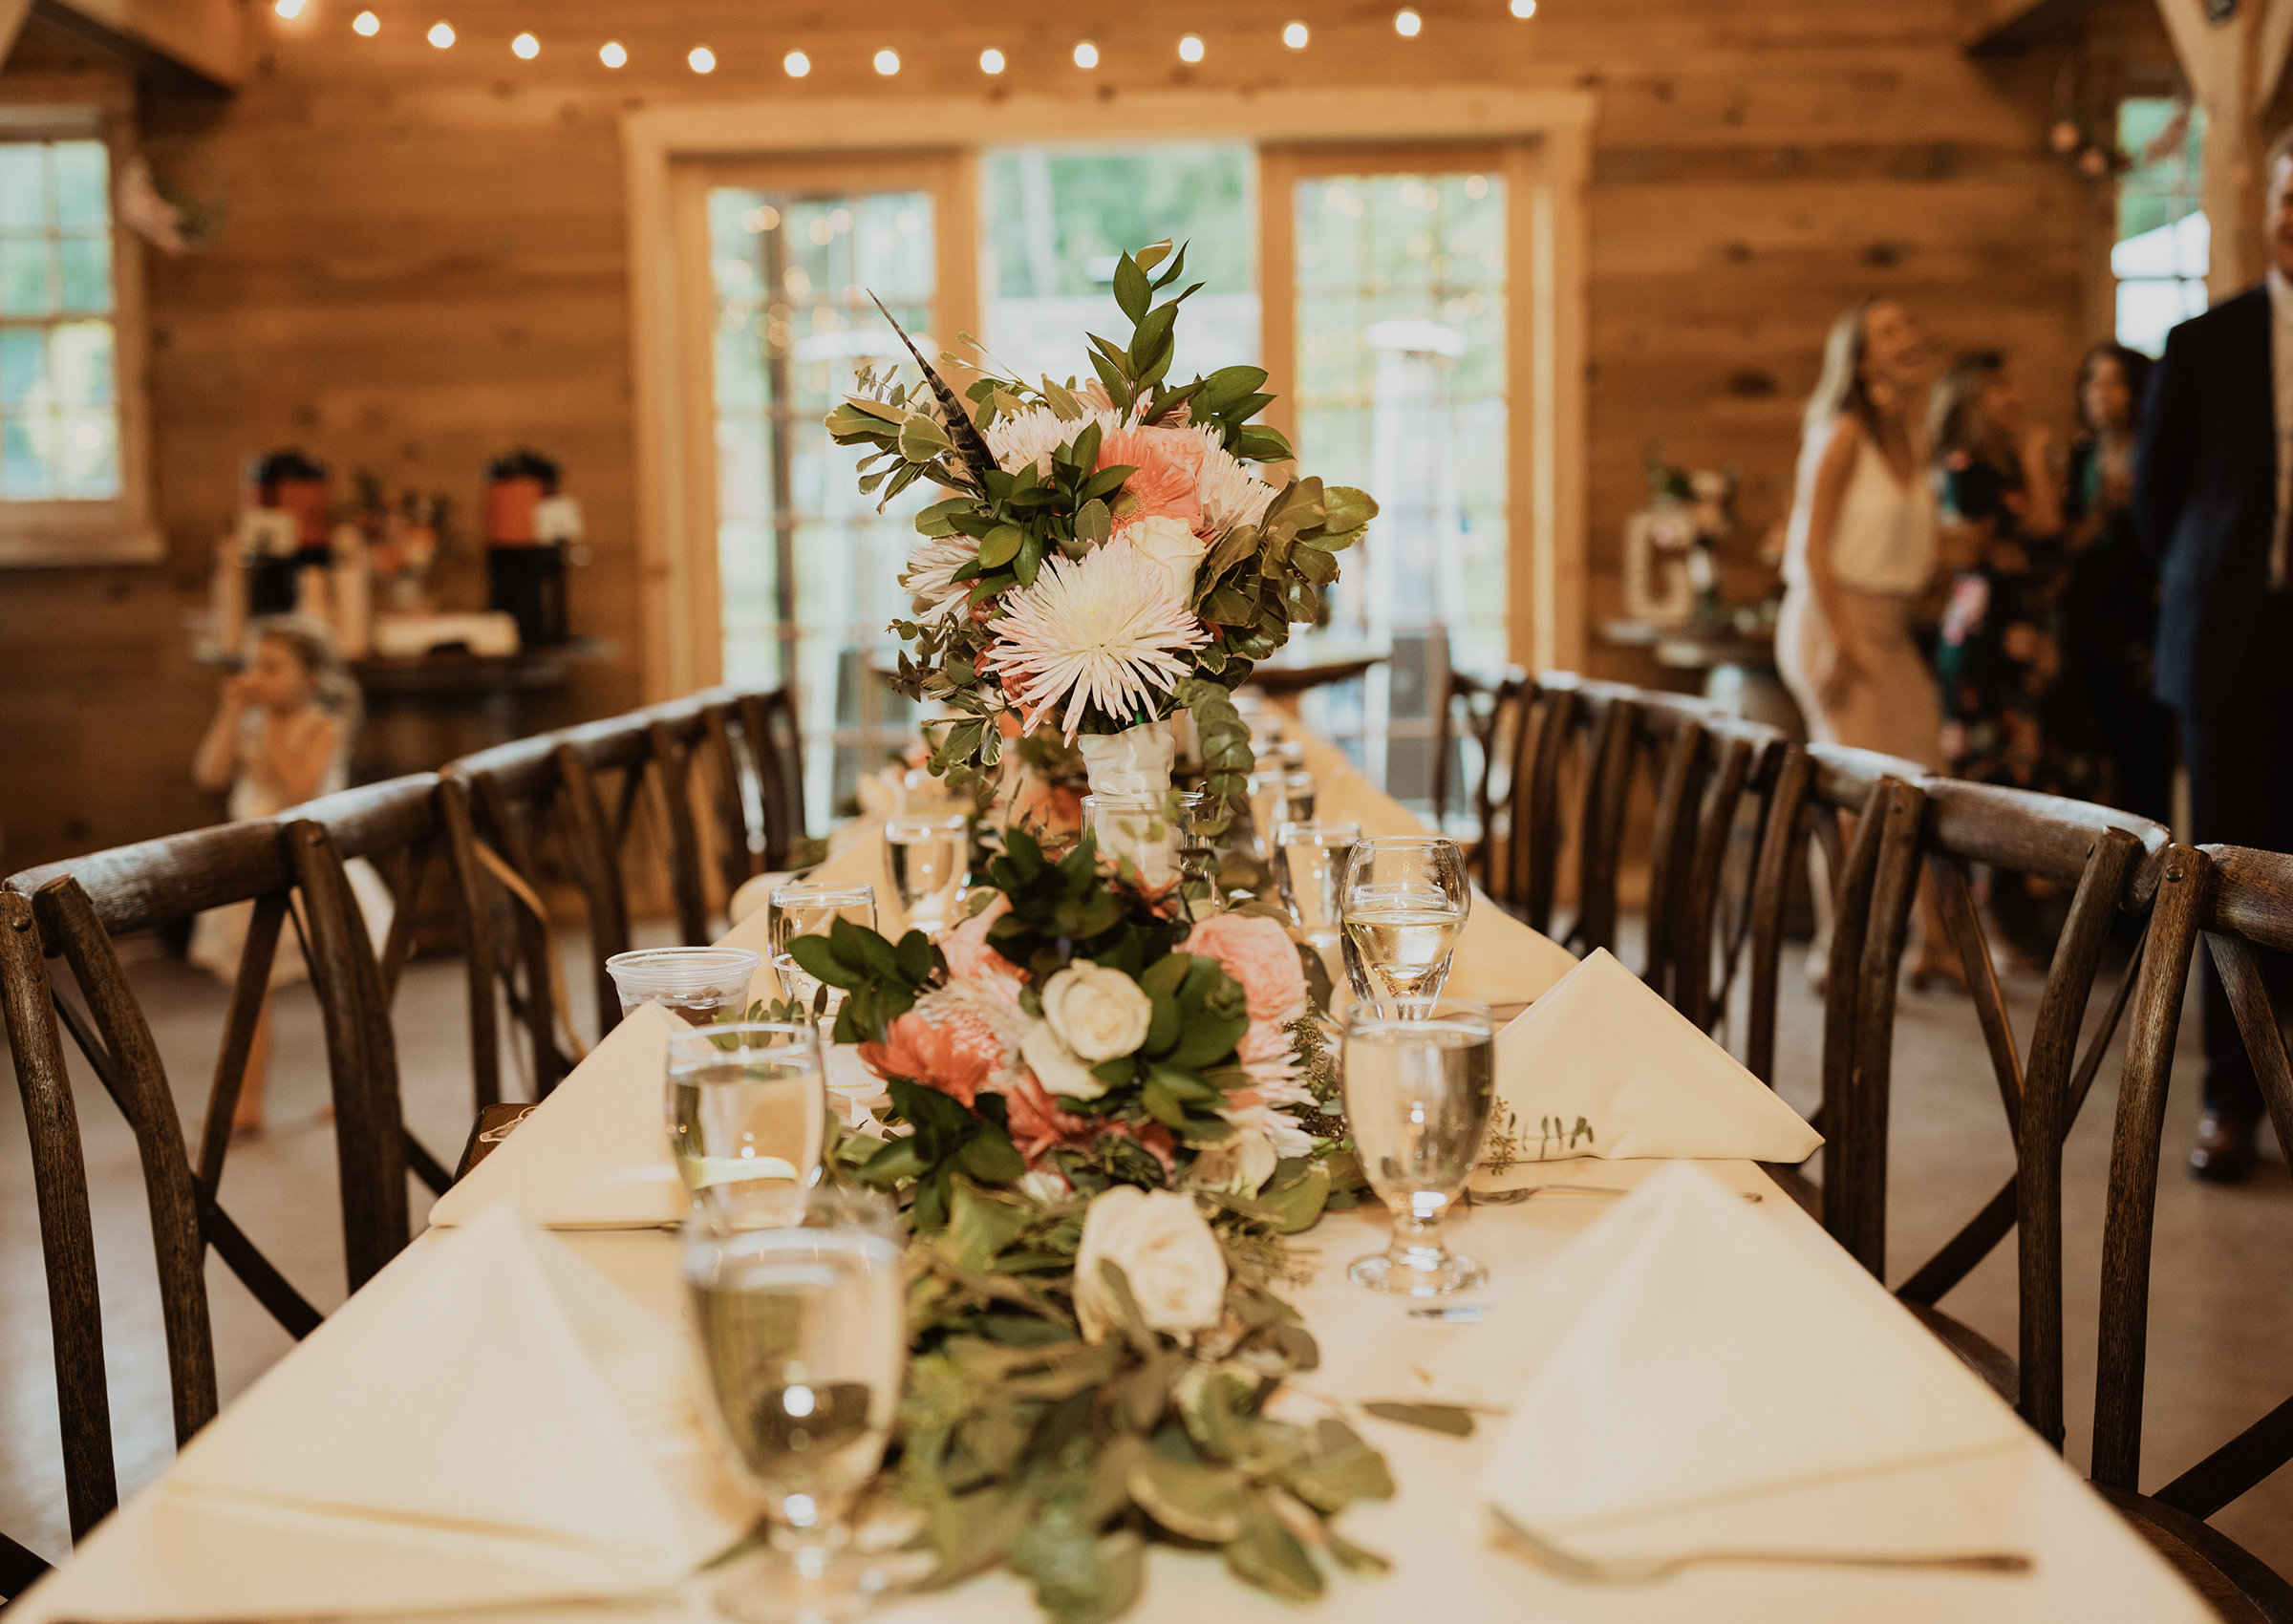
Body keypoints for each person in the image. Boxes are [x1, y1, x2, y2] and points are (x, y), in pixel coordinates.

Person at [2134, 126, 2293, 1184]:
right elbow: (2156, 497)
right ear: (2271, 205)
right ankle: (2230, 1100)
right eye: (2291, 193)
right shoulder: (2206, 342)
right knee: (2226, 879)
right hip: (2234, 639)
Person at [1776, 296, 1961, 987]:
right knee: (1858, 795)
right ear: (1859, 360)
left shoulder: (1912, 441)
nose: (1908, 336)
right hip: (1833, 621)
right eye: (1889, 331)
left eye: (1908, 323)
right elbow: (1813, 548)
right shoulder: (1844, 432)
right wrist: (1841, 644)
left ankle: (1933, 943)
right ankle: (1839, 950)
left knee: (1929, 778)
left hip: (1890, 624)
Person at [189, 617, 391, 1134]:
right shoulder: (251, 722)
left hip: (313, 869)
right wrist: (232, 713)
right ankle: (247, 1102)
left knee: (340, 987)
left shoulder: (325, 726)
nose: (258, 677)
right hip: (256, 871)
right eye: (253, 665)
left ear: (313, 678)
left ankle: (357, 1091)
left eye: (272, 668)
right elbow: (209, 773)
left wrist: (268, 737)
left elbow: (302, 792)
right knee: (248, 989)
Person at [2060, 342, 2175, 827]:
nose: (2100, 393)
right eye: (2092, 381)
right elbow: (2067, 543)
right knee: (2092, 750)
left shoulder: (2157, 454)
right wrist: (2103, 508)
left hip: (2141, 615)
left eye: (2113, 381)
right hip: (2088, 617)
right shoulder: (2080, 456)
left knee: (2142, 753)